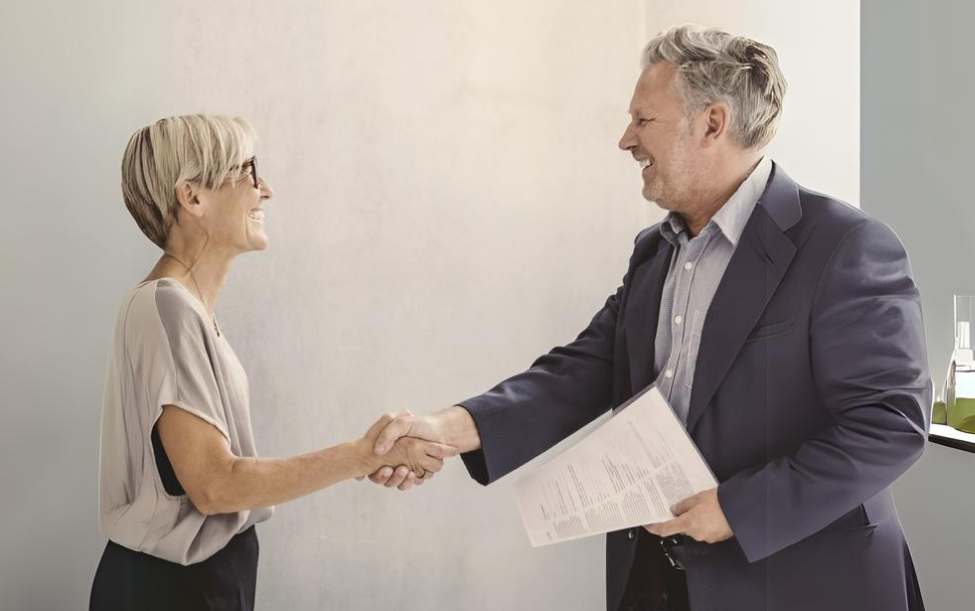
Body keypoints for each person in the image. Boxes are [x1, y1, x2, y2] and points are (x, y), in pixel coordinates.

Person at [364, 26, 931, 611]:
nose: (625, 140)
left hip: (799, 584)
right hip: (659, 575)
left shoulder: (845, 245)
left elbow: (889, 424)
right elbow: (586, 368)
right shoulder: (655, 249)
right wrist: (451, 428)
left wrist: (738, 508)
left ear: (712, 124)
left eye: (643, 120)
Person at [90, 114, 456, 611]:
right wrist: (365, 454)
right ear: (192, 197)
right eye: (246, 171)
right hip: (174, 590)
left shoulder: (185, 311)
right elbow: (217, 485)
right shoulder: (166, 308)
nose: (266, 189)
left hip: (201, 582)